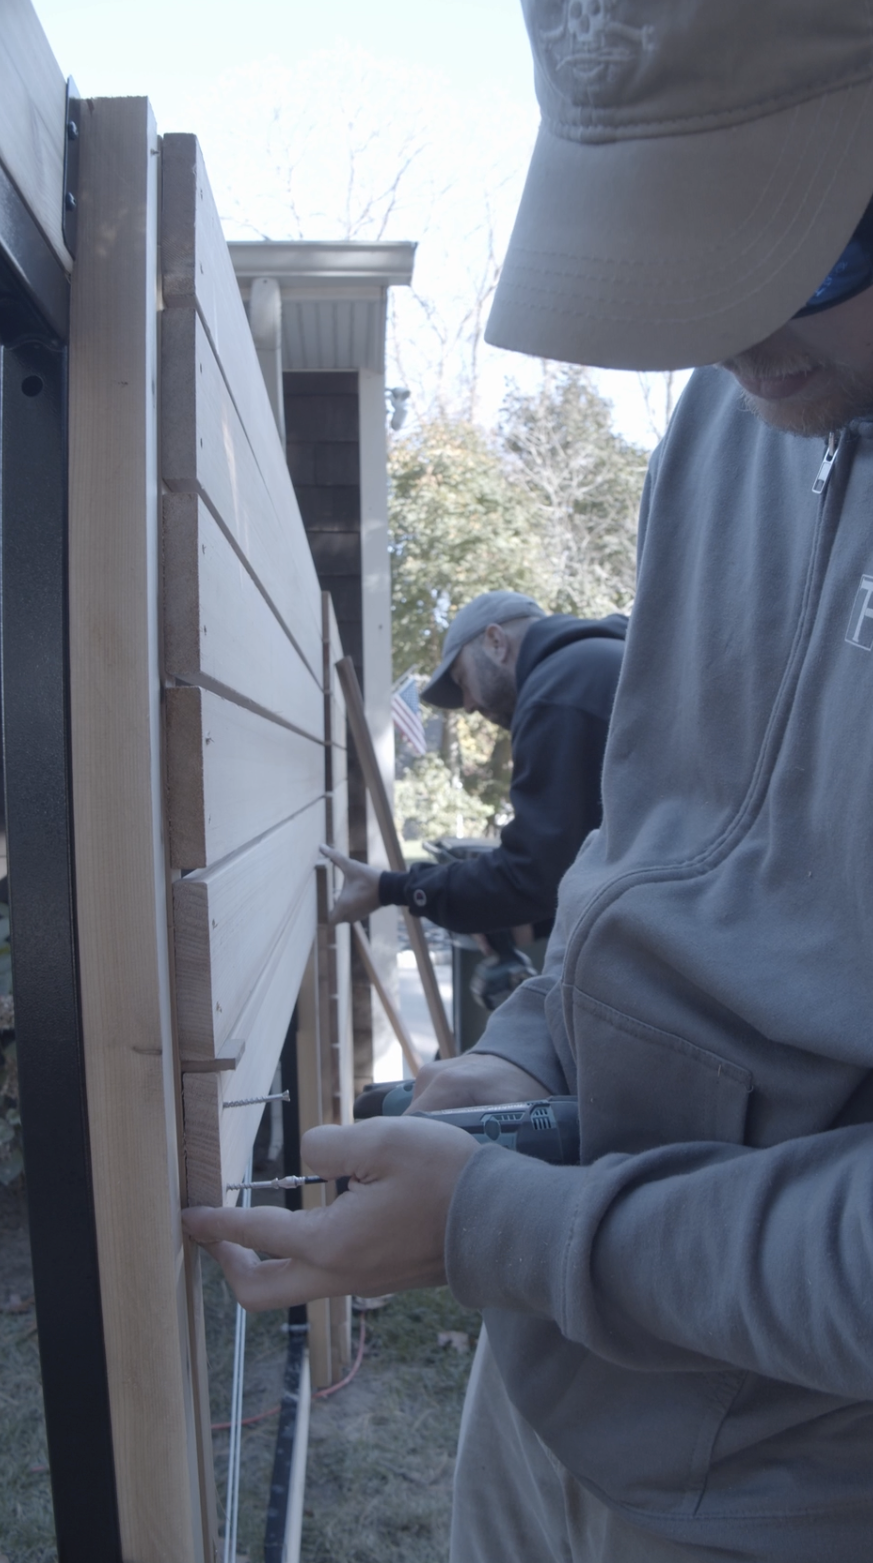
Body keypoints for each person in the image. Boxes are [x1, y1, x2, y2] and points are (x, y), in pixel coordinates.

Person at [184, 3, 873, 1559]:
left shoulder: (559, 674)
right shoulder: (735, 420)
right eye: (683, 261)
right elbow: (630, 869)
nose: (734, 331)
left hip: (796, 1482)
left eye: (796, 248)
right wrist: (518, 1063)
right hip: (562, 1371)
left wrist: (501, 1218)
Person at [321, 589, 627, 939]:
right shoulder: (593, 662)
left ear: (496, 642)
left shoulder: (555, 694)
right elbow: (576, 865)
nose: (467, 705)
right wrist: (528, 924)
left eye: (462, 680)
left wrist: (389, 889)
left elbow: (531, 874)